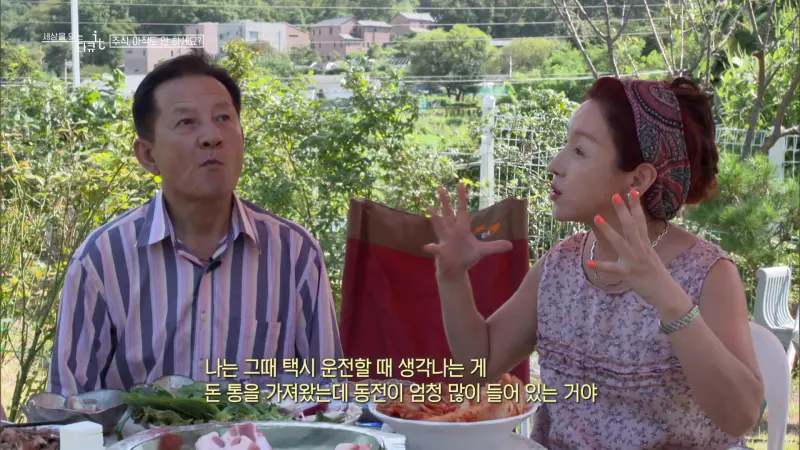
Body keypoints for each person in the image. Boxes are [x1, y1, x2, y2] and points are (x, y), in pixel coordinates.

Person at [424, 77, 763, 449]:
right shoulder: (561, 265)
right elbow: (481, 365)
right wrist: (452, 277)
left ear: (638, 178)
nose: (555, 165)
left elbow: (741, 417)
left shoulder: (708, 273)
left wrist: (666, 296)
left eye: (580, 151)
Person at [48, 53, 342, 395]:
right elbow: (71, 405)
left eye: (223, 118)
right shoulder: (102, 260)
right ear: (148, 155)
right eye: (187, 122)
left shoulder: (294, 253)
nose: (211, 136)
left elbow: (329, 394)